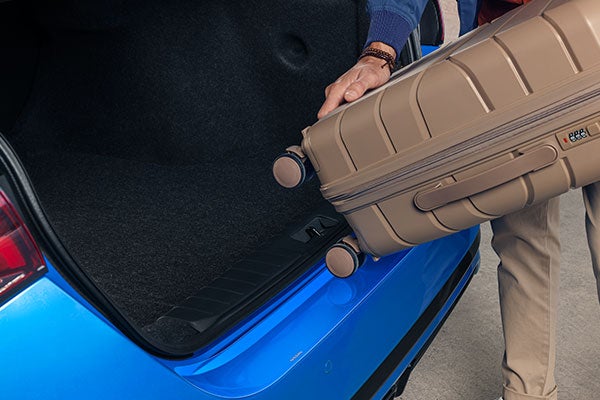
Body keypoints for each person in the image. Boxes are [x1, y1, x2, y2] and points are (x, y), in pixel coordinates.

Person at [317, 1, 600, 400]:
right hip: (505, 58)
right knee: (524, 242)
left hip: (590, 33)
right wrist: (380, 51)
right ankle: (528, 393)